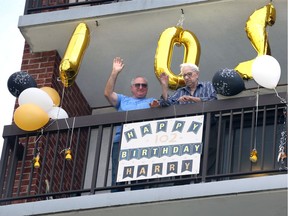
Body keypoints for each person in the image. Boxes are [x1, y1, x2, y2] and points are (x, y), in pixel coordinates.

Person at [104, 57, 156, 190]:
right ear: (132, 88)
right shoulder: (123, 100)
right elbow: (107, 93)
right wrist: (115, 72)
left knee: (139, 177)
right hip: (121, 140)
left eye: (144, 85)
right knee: (118, 175)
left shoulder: (152, 101)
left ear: (147, 88)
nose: (140, 87)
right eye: (137, 85)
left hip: (143, 141)